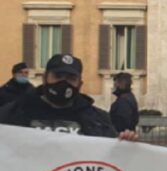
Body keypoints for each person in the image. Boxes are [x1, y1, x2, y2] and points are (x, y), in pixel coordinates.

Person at [0, 54, 135, 139]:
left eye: (71, 78)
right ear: (45, 78)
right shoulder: (14, 112)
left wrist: (124, 144)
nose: (63, 83)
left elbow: (110, 161)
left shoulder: (98, 120)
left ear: (79, 84)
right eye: (58, 76)